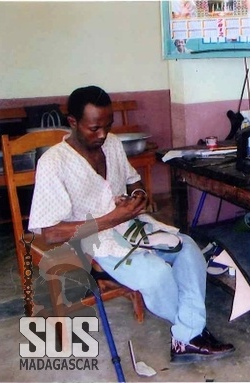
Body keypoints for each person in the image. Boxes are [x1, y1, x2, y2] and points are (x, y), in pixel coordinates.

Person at [28, 85, 235, 363]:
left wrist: (138, 195)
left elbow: (133, 179)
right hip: (94, 239)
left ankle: (187, 335)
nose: (103, 134)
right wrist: (111, 218)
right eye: (94, 128)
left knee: (189, 250)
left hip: (130, 224)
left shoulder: (111, 143)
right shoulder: (53, 163)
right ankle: (190, 333)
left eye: (108, 125)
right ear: (73, 122)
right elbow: (50, 233)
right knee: (156, 275)